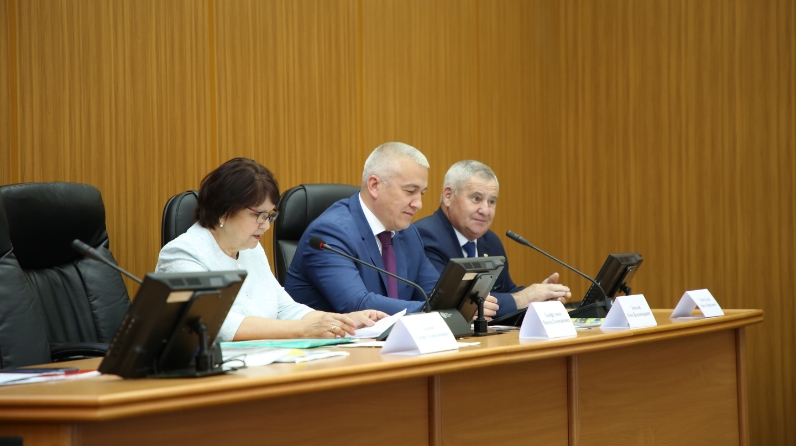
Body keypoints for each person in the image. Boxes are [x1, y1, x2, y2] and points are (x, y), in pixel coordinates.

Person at [156, 158, 386, 342]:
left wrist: (344, 322)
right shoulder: (183, 254)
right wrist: (301, 330)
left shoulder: (251, 249)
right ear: (223, 211)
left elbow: (284, 308)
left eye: (270, 215)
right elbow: (215, 324)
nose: (266, 226)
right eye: (259, 215)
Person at [284, 143, 501, 316]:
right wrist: (443, 310)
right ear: (374, 185)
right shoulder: (330, 233)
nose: (418, 204)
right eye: (409, 191)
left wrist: (463, 303)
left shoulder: (408, 234)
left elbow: (435, 293)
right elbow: (358, 304)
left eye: (422, 193)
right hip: (329, 353)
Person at [414, 160, 571, 318]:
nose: (485, 210)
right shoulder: (426, 236)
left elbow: (507, 292)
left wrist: (540, 297)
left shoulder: (490, 241)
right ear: (448, 196)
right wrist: (525, 298)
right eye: (476, 198)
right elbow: (448, 303)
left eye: (491, 201)